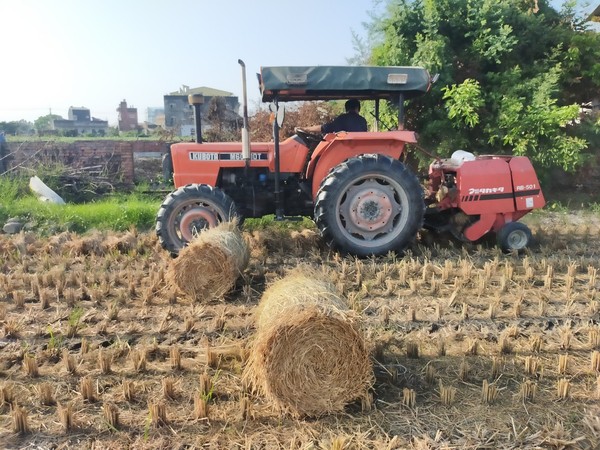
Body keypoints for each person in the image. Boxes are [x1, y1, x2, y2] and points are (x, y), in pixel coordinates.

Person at [296, 99, 368, 135]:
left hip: (345, 152)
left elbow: (324, 128)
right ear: (357, 108)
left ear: (346, 109)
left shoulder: (342, 119)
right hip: (359, 151)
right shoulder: (363, 121)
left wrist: (305, 129)